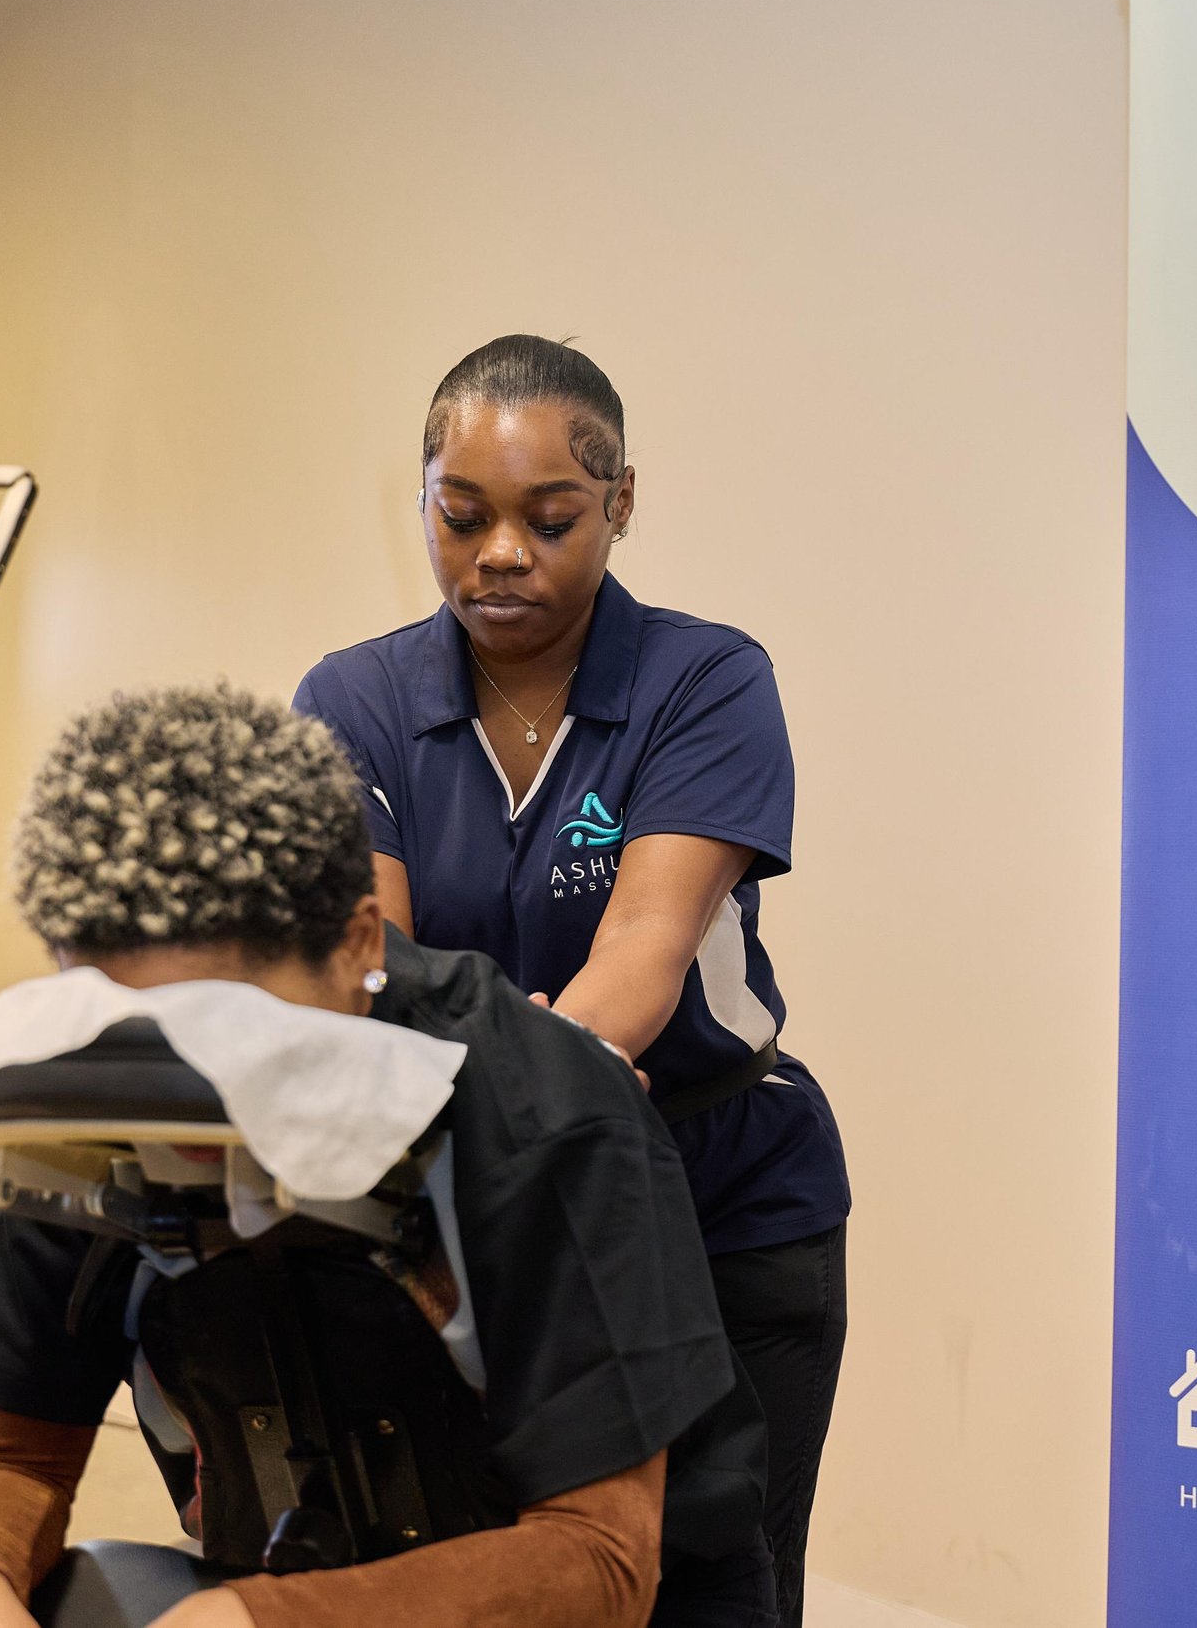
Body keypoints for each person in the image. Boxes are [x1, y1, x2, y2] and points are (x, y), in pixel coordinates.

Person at [0, 684, 771, 1628]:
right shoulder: (86, 1102)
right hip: (293, 1575)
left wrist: (249, 1622)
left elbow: (599, 1561)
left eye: (227, 1043)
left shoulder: (545, 1113)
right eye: (133, 1042)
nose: (178, 1110)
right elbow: (8, 1455)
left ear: (357, 947)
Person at [294, 335, 847, 1628]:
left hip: (719, 1198)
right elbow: (365, 967)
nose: (500, 553)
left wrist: (487, 1084)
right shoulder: (355, 698)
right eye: (461, 513)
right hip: (465, 1207)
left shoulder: (701, 679)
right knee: (516, 1577)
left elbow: (640, 964)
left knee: (723, 1583)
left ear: (621, 501)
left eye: (551, 519)